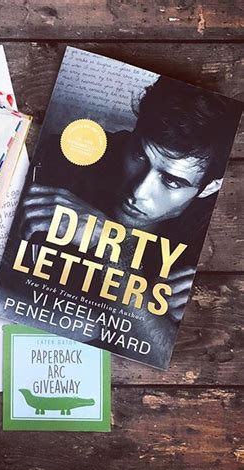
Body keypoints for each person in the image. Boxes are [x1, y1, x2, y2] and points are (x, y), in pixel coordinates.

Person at [18, 76, 241, 325]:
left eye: (171, 181)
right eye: (139, 156)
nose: (138, 191)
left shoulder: (225, 240)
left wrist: (110, 244)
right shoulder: (70, 156)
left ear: (211, 187)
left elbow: (165, 348)